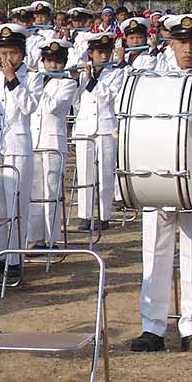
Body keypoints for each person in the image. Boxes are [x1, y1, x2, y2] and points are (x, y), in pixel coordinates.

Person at [130, 14, 192, 355]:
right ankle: (152, 328)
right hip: (158, 176)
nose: (188, 49)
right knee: (155, 253)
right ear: (170, 42)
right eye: (182, 41)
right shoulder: (151, 79)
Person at [0, 22, 42, 279]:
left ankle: (15, 258)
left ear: (23, 53)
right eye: (4, 52)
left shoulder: (33, 77)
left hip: (18, 146)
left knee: (16, 205)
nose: (8, 58)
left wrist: (13, 80)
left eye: (13, 53)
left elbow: (29, 107)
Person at [73, 31, 123, 233]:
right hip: (85, 126)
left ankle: (104, 215)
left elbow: (109, 97)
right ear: (90, 53)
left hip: (105, 127)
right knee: (85, 172)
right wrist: (75, 79)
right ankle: (85, 215)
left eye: (107, 52)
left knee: (105, 172)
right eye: (99, 52)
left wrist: (92, 80)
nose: (104, 56)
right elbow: (74, 100)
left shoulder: (117, 73)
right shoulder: (82, 73)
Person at [28, 38, 76, 250]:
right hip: (34, 142)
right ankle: (35, 237)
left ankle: (53, 238)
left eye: (57, 61)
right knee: (34, 191)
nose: (52, 66)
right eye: (48, 61)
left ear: (63, 63)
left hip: (54, 143)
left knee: (52, 190)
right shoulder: (35, 79)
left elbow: (53, 107)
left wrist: (38, 85)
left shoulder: (68, 83)